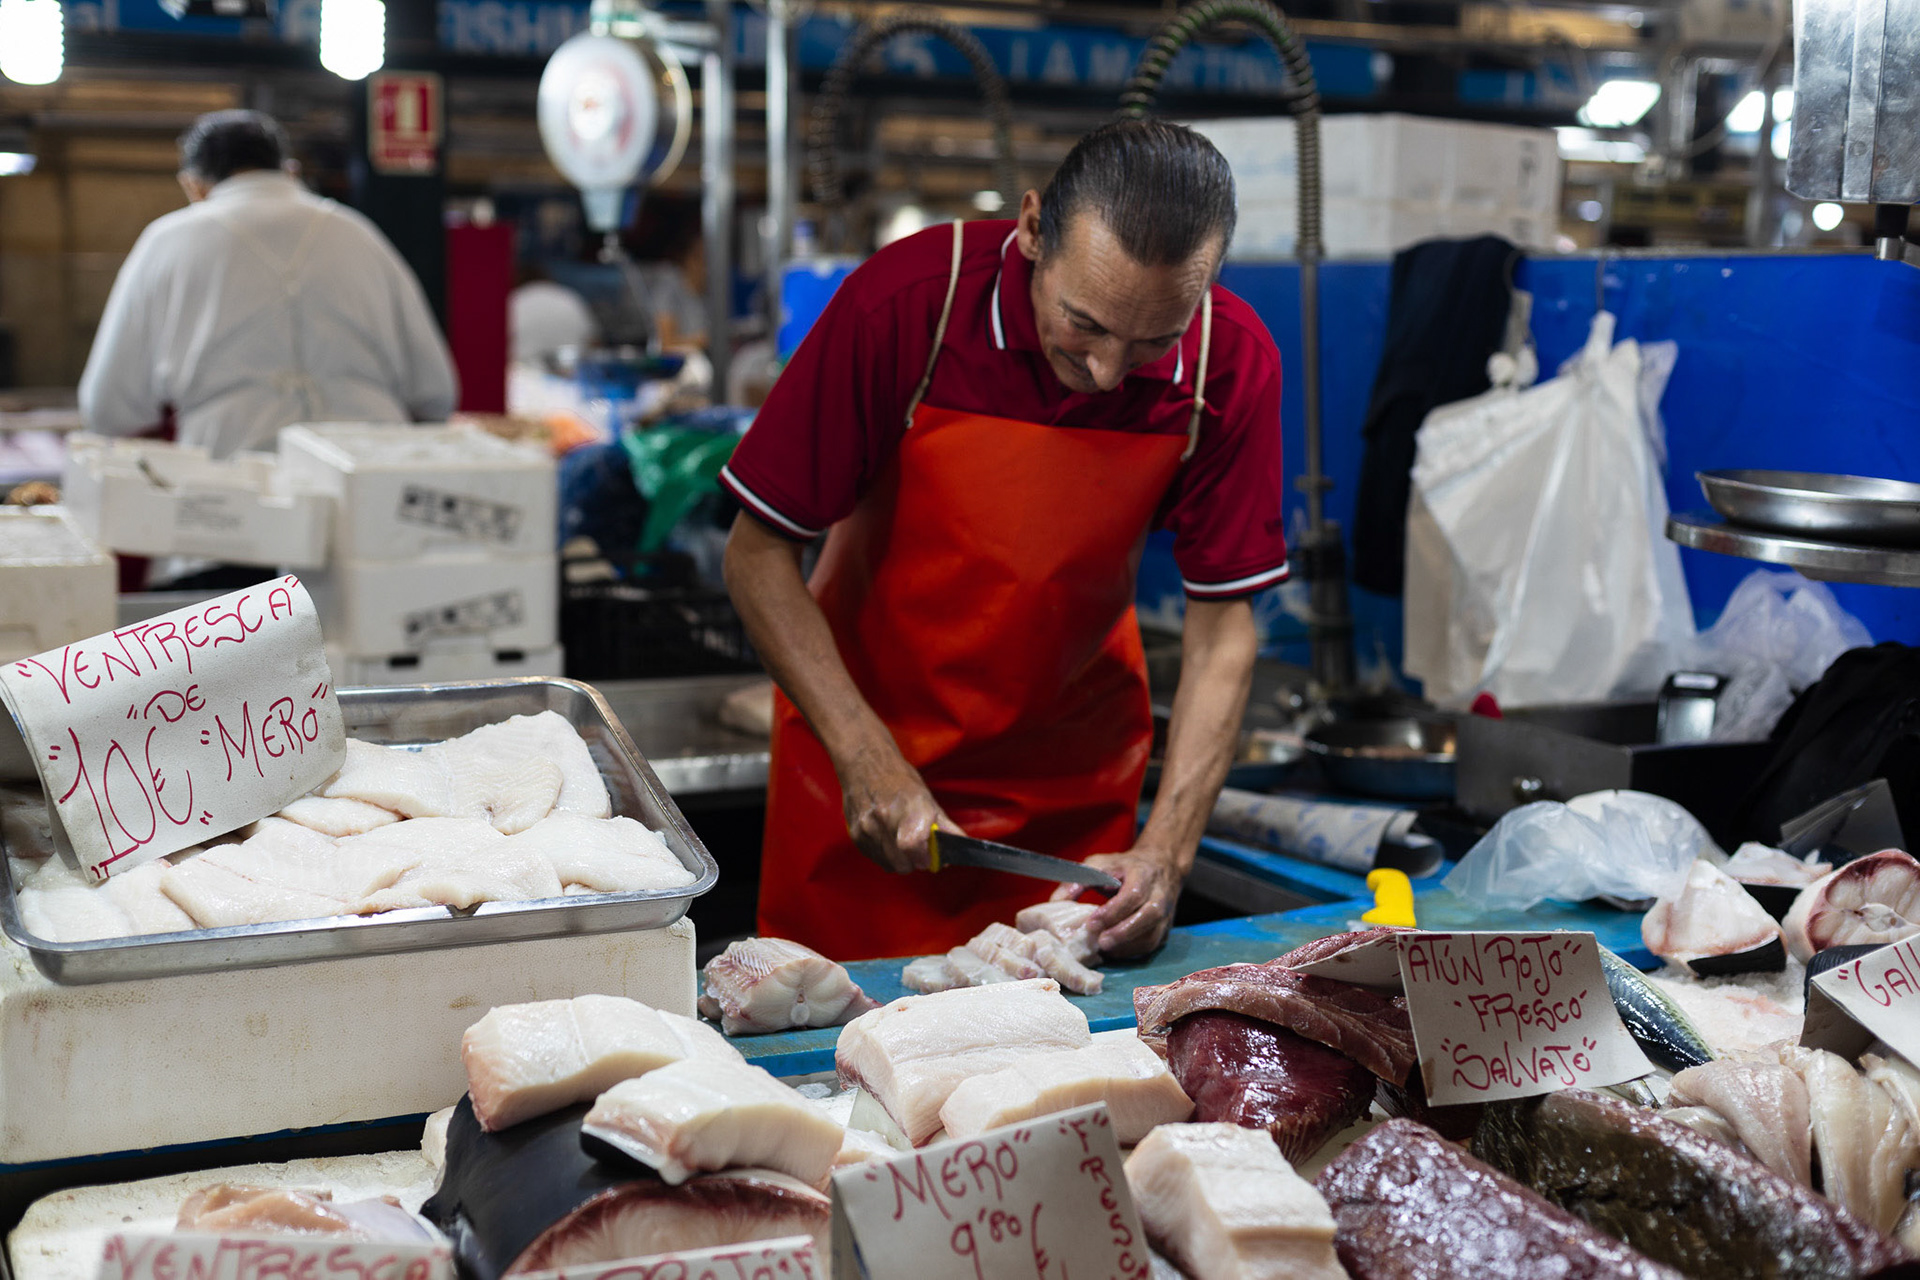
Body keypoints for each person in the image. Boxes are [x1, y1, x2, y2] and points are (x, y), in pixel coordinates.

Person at [721, 120, 1289, 963]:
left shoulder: (1228, 364)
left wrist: (1165, 855)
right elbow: (757, 555)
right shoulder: (907, 305)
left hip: (1070, 817)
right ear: (1030, 232)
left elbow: (1222, 635)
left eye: (1152, 342)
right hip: (865, 790)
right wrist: (865, 755)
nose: (1107, 372)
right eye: (1085, 324)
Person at [79, 110, 456, 459]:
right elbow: (435, 390)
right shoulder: (358, 233)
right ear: (290, 172)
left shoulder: (167, 240)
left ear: (193, 186)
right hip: (371, 459)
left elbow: (109, 408)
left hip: (233, 466)